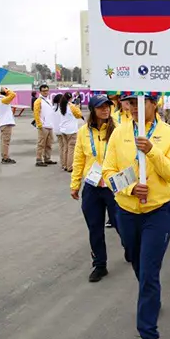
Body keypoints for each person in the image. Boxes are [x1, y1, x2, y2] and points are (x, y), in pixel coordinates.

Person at [102, 94, 170, 339]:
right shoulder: (119, 133)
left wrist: (152, 150)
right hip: (126, 212)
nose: (134, 107)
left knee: (148, 271)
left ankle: (148, 334)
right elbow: (108, 173)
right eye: (129, 102)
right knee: (137, 263)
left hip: (158, 212)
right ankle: (151, 294)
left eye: (140, 102)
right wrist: (131, 189)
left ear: (154, 104)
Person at [71, 95, 120, 283]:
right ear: (93, 110)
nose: (105, 109)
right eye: (100, 107)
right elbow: (78, 159)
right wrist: (75, 184)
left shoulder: (118, 130)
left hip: (113, 185)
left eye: (107, 106)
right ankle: (100, 265)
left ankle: (130, 249)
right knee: (95, 228)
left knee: (121, 224)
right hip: (92, 186)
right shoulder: (83, 132)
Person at [55, 92, 83, 172]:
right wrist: (77, 106)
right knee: (71, 149)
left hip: (63, 129)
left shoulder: (62, 106)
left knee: (65, 148)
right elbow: (79, 115)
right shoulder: (72, 106)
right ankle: (70, 166)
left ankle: (64, 165)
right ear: (70, 98)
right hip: (71, 130)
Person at [34, 84, 57, 166]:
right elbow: (36, 113)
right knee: (41, 143)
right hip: (43, 126)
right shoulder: (38, 101)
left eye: (47, 90)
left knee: (49, 144)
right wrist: (39, 124)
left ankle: (47, 158)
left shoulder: (49, 100)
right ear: (40, 92)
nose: (45, 92)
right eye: (43, 91)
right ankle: (39, 159)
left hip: (50, 125)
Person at [0, 87, 17, 164]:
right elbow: (13, 94)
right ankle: (5, 157)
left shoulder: (0, 100)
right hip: (6, 124)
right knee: (6, 142)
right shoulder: (3, 100)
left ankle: (4, 156)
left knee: (3, 141)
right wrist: (7, 90)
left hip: (3, 123)